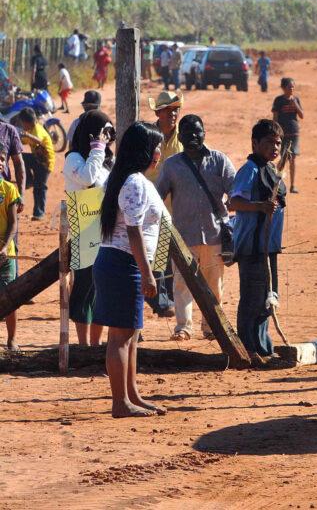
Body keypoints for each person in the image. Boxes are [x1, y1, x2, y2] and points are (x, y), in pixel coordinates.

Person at [93, 121, 168, 418]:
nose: (159, 152)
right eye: (156, 147)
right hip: (123, 264)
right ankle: (120, 402)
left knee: (130, 334)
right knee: (121, 336)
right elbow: (134, 232)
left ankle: (131, 394)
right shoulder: (134, 182)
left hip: (123, 262)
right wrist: (147, 272)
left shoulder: (130, 179)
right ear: (145, 150)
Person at [156, 114, 236, 341]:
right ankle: (183, 328)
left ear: (204, 133)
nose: (193, 136)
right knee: (182, 285)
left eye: (197, 131)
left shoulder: (220, 161)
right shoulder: (171, 166)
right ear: (180, 137)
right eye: (187, 132)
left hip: (214, 235)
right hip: (183, 237)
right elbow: (157, 197)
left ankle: (212, 327)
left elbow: (236, 191)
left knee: (214, 285)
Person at [229, 119, 287, 359]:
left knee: (268, 298)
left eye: (279, 143)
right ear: (255, 143)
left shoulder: (272, 170)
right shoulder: (249, 170)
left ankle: (263, 347)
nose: (275, 148)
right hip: (252, 247)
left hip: (269, 247)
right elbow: (234, 202)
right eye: (270, 143)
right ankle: (248, 349)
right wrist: (259, 206)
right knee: (253, 298)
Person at [64, 110, 115, 347]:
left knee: (103, 291)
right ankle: (83, 346)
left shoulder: (107, 161)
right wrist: (97, 148)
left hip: (106, 233)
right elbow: (87, 178)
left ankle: (95, 346)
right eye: (102, 131)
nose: (106, 137)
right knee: (84, 289)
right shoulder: (73, 158)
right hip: (84, 232)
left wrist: (102, 151)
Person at [145, 91, 185, 318]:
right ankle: (160, 301)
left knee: (173, 255)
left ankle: (167, 298)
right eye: (168, 110)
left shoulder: (184, 138)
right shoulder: (149, 137)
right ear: (158, 113)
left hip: (178, 207)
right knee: (156, 254)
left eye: (175, 110)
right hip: (152, 205)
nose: (173, 114)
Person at [15, 108, 54, 220]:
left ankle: (39, 213)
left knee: (40, 187)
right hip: (38, 159)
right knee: (21, 159)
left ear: (26, 122)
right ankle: (28, 181)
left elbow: (38, 140)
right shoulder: (31, 129)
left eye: (22, 123)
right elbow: (24, 141)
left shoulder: (37, 130)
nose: (22, 125)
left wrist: (26, 135)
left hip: (45, 162)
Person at [0, 150, 21, 349]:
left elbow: (13, 223)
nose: (0, 162)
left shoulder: (9, 189)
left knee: (10, 297)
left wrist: (5, 247)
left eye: (2, 159)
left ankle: (12, 339)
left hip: (6, 255)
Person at [272, 77, 303, 194]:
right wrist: (275, 132)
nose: (292, 89)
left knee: (293, 159)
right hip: (282, 134)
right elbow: (275, 117)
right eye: (290, 87)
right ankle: (275, 180)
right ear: (283, 88)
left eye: (293, 87)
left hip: (294, 133)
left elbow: (301, 115)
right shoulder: (278, 100)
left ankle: (293, 185)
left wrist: (296, 105)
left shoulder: (296, 100)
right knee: (283, 158)